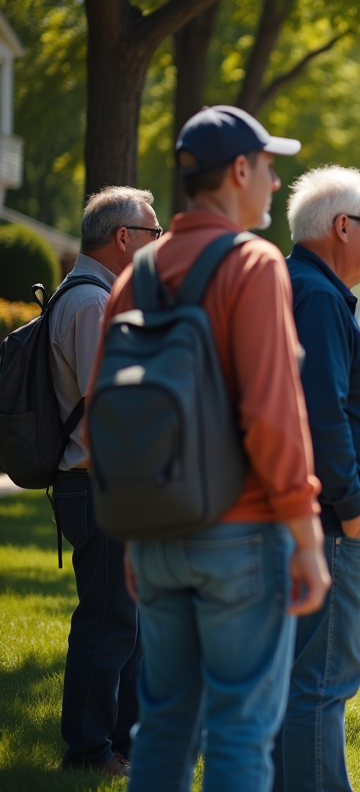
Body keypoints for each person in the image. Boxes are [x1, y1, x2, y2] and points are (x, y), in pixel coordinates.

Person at [96, 105, 331, 792]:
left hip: (156, 532)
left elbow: (105, 409)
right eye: (267, 165)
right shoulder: (253, 262)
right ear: (237, 171)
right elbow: (273, 412)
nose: (274, 178)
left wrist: (137, 536)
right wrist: (306, 535)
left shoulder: (133, 274)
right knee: (239, 733)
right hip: (244, 532)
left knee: (163, 726)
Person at [273, 166, 360, 792]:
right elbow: (320, 414)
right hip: (333, 525)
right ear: (342, 226)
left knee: (306, 682)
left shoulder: (305, 287)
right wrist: (353, 514)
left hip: (323, 521)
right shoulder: (318, 295)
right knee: (323, 682)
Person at [51, 186, 159, 777]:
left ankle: (124, 742)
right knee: (107, 623)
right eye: (153, 232)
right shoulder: (93, 304)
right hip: (101, 483)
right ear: (124, 238)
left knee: (128, 624)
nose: (158, 242)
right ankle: (89, 752)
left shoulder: (93, 295)